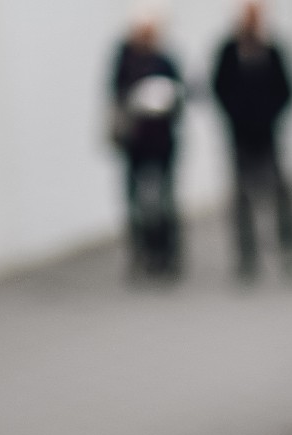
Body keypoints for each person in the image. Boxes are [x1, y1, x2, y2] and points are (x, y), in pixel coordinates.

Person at [212, 3, 292, 279]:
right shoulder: (229, 53)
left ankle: (289, 250)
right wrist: (238, 116)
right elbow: (219, 88)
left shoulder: (272, 51)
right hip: (241, 137)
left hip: (267, 135)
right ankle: (247, 256)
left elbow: (288, 89)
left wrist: (268, 115)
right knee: (242, 198)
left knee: (280, 194)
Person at [111, 13, 185, 279]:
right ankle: (141, 255)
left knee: (163, 202)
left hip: (162, 142)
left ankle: (167, 256)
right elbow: (115, 97)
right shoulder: (125, 61)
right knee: (136, 204)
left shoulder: (164, 61)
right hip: (136, 144)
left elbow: (180, 97)